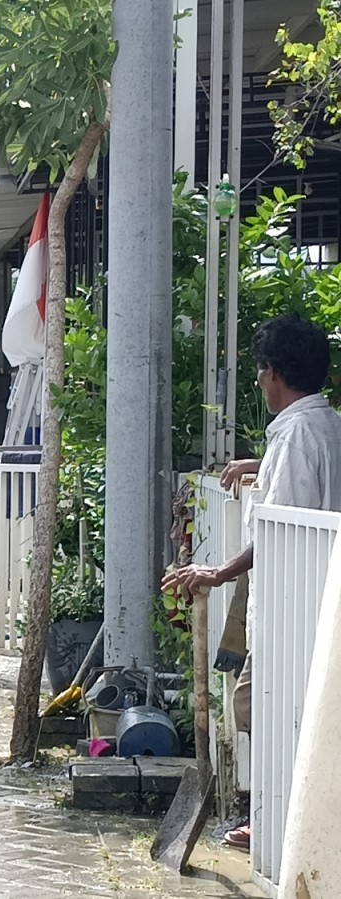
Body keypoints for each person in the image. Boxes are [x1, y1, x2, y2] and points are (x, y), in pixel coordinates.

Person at [163, 313, 341, 851]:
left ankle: (275, 825)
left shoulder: (296, 434)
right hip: (320, 595)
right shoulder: (325, 423)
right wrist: (260, 464)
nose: (260, 382)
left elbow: (280, 527)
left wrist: (217, 572)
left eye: (261, 372)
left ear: (274, 374)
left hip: (293, 602)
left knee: (264, 707)